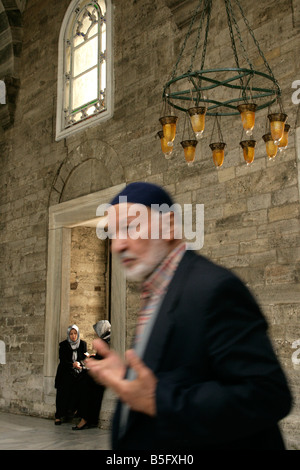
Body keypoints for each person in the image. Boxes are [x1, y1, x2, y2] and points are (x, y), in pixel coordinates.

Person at [86, 182, 292, 450]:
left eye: (130, 226)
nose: (117, 245)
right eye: (112, 233)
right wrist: (127, 376)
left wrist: (157, 399)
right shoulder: (158, 290)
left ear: (169, 226)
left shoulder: (213, 288)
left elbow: (268, 395)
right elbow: (181, 372)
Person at [72, 320, 111, 430]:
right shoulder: (106, 340)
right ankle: (83, 414)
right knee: (82, 378)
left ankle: (84, 418)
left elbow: (102, 359)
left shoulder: (105, 342)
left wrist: (90, 359)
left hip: (102, 375)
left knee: (84, 384)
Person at [54, 324, 87, 425]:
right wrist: (72, 364)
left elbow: (84, 357)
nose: (73, 336)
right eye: (71, 334)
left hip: (77, 372)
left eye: (75, 333)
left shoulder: (82, 344)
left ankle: (74, 410)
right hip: (65, 371)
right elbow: (62, 360)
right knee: (62, 393)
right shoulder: (63, 345)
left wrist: (80, 363)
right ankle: (58, 416)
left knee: (80, 387)